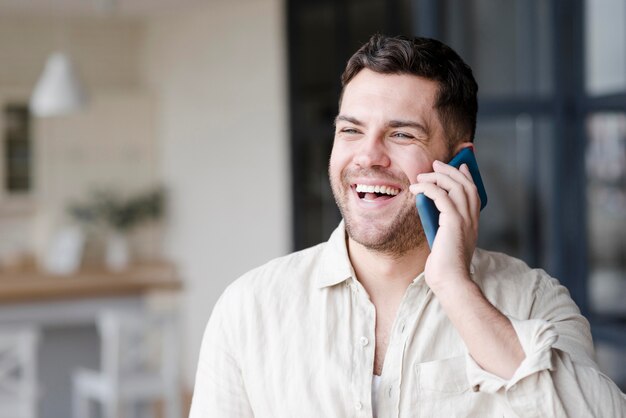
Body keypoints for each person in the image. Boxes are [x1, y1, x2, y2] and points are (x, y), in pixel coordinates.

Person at [189, 34, 626, 417]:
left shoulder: (532, 301)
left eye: (402, 135)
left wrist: (455, 287)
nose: (367, 156)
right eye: (351, 131)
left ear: (460, 165)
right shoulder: (249, 309)